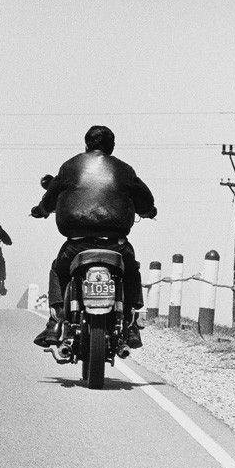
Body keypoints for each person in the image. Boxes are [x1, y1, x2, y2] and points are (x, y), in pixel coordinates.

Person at [30, 124, 156, 349]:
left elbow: (51, 196)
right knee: (131, 271)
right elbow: (146, 201)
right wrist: (148, 211)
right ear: (112, 147)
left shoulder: (70, 166)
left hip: (78, 244)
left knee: (58, 269)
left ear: (86, 144)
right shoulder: (124, 170)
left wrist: (41, 210)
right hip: (115, 245)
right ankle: (131, 324)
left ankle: (55, 322)